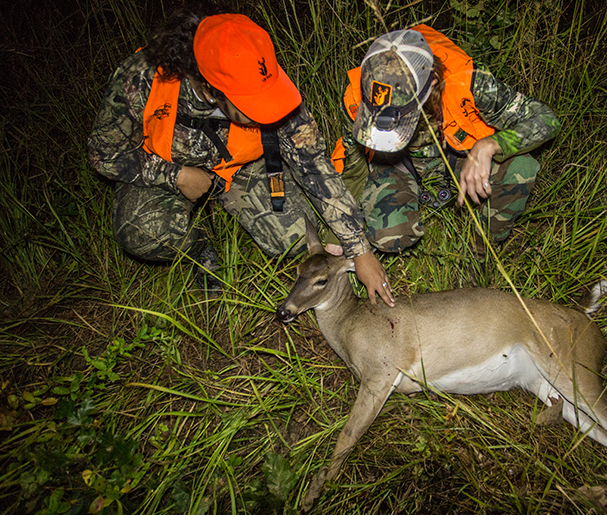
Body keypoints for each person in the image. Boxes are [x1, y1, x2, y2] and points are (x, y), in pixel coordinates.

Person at [88, 9, 394, 306]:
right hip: (165, 169)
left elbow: (314, 165)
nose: (268, 111)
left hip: (240, 169)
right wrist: (175, 174)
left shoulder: (260, 74)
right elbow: (103, 154)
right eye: (252, 105)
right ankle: (199, 248)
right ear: (211, 89)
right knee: (142, 232)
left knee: (290, 236)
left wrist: (359, 248)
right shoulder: (141, 80)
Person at [330, 25, 561, 257]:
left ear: (432, 83)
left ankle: (480, 250)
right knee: (389, 236)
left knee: (521, 168)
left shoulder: (469, 82)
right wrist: (339, 233)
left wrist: (491, 145)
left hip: (458, 154)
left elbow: (546, 120)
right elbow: (353, 166)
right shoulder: (357, 94)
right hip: (397, 164)